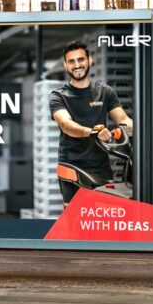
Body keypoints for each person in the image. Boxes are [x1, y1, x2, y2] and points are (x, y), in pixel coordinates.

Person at [49, 41, 133, 204]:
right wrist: (93, 132)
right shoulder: (58, 96)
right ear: (66, 66)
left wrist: (137, 129)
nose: (77, 65)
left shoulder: (105, 92)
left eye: (81, 59)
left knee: (100, 220)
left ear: (89, 61)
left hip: (100, 167)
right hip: (72, 168)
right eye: (71, 61)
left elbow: (123, 119)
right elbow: (66, 125)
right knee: (75, 221)